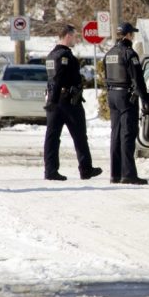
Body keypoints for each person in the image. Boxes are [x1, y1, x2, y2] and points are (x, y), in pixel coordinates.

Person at [43, 23, 102, 181]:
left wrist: (51, 101)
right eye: (75, 36)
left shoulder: (50, 55)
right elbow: (58, 79)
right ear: (67, 36)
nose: (76, 39)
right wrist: (54, 100)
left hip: (55, 100)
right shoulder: (64, 56)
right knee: (79, 136)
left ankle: (50, 170)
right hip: (67, 102)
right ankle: (86, 168)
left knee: (52, 136)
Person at [104, 22, 149, 185]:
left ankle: (115, 173)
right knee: (127, 135)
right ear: (127, 35)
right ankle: (128, 174)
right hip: (126, 97)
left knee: (116, 134)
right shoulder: (129, 54)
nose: (133, 37)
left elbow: (105, 77)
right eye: (132, 34)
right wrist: (147, 102)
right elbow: (138, 80)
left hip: (112, 95)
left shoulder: (110, 53)